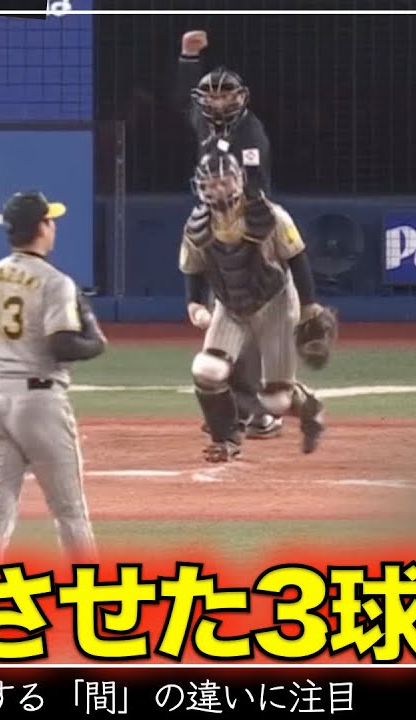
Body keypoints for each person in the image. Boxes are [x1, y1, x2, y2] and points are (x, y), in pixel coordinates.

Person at [0, 190, 104, 576]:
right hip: (39, 404)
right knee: (69, 511)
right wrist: (96, 340)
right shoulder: (54, 282)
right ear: (41, 228)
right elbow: (62, 345)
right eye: (50, 219)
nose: (54, 225)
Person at [179, 151, 326, 463]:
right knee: (208, 370)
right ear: (200, 188)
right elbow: (193, 267)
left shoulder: (271, 217)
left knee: (276, 401)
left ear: (239, 181)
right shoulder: (197, 226)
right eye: (211, 184)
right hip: (230, 306)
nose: (218, 189)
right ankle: (225, 439)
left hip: (275, 303)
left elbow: (297, 259)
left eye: (224, 181)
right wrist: (195, 303)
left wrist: (309, 306)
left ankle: (308, 406)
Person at [177, 29, 283, 447]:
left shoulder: (250, 136)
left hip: (249, 235)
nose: (218, 103)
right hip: (217, 230)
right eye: (213, 96)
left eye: (226, 96)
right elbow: (182, 100)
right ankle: (244, 410)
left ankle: (252, 410)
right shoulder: (205, 123)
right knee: (233, 320)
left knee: (244, 320)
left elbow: (252, 196)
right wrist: (188, 58)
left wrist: (243, 243)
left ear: (241, 98)